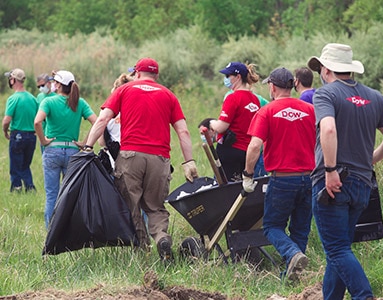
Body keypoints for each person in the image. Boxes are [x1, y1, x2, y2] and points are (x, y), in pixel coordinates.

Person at [307, 43, 383, 299]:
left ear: (326, 69)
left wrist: (330, 169)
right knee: (340, 250)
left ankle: (363, 295)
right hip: (361, 183)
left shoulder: (325, 94)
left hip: (333, 181)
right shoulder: (375, 97)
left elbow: (328, 130)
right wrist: (371, 159)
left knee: (336, 250)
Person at [83, 57, 198, 261]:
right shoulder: (168, 95)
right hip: (159, 159)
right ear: (157, 75)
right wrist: (189, 161)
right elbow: (184, 132)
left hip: (130, 157)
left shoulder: (124, 90)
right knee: (155, 207)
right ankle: (162, 238)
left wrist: (88, 146)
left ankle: (142, 251)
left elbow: (103, 119)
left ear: (136, 73)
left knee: (131, 206)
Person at [242, 67, 316, 282]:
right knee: (300, 229)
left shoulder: (267, 111)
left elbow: (255, 146)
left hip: (282, 179)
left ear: (272, 87)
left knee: (272, 226)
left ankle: (293, 254)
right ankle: (291, 275)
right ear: (293, 85)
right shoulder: (310, 110)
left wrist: (248, 173)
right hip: (309, 177)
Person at [34, 70, 97, 228]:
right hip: (72, 152)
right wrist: (85, 143)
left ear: (59, 85)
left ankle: (51, 230)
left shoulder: (48, 102)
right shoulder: (80, 103)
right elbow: (96, 122)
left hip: (52, 151)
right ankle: (68, 229)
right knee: (69, 195)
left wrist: (43, 140)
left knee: (51, 195)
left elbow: (37, 122)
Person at [205, 61, 261, 182]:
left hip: (231, 150)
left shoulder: (233, 97)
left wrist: (210, 123)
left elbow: (221, 127)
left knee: (226, 191)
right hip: (248, 153)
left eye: (227, 76)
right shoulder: (255, 99)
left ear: (238, 77)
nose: (226, 79)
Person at [2, 68, 38, 192]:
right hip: (32, 136)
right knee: (25, 165)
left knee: (16, 165)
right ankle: (30, 187)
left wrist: (5, 131)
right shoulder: (33, 99)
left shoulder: (13, 99)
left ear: (13, 80)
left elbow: (7, 120)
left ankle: (16, 188)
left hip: (17, 135)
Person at [36, 73, 57, 153]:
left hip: (53, 133)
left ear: (49, 83)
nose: (41, 88)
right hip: (43, 133)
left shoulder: (56, 96)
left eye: (42, 85)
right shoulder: (39, 97)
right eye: (38, 87)